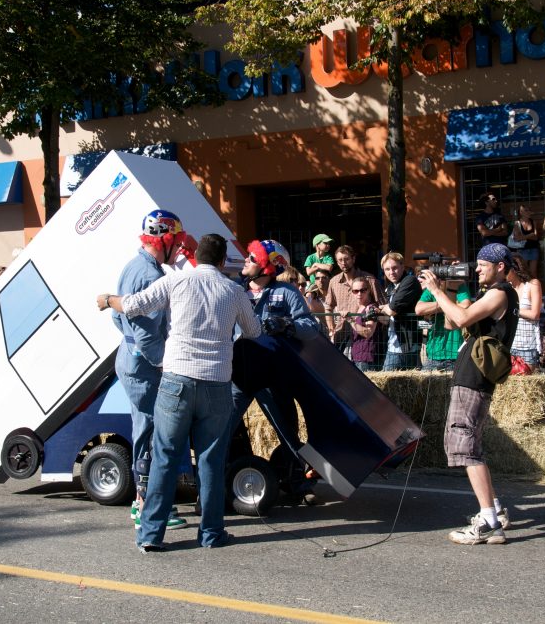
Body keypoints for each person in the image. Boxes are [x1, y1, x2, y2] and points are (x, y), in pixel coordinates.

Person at [97, 234, 262, 552]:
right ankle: (212, 533)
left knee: (165, 456)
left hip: (176, 381)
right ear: (223, 260)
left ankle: (151, 536)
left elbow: (133, 305)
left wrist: (107, 299)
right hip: (216, 383)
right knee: (211, 460)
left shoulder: (177, 281)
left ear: (196, 257)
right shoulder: (234, 291)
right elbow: (253, 330)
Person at [419, 243, 518, 545]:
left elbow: (462, 320)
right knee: (470, 444)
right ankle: (494, 510)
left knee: (465, 446)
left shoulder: (501, 292)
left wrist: (436, 291)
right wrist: (450, 290)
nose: (476, 269)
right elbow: (453, 321)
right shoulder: (491, 294)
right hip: (471, 375)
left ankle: (488, 520)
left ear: (500, 266)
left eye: (482, 264)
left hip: (473, 377)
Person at [109, 209, 191, 530]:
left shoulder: (137, 266)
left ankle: (145, 501)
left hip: (131, 359)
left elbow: (119, 316)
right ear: (165, 240)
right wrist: (165, 363)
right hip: (144, 365)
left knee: (147, 427)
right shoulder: (150, 276)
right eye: (178, 242)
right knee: (153, 428)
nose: (180, 249)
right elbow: (145, 333)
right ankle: (148, 505)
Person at [229, 239, 321, 502]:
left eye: (252, 257)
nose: (246, 259)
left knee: (288, 433)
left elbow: (311, 328)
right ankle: (212, 488)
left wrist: (286, 324)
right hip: (239, 374)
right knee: (222, 430)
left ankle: (298, 486)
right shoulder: (234, 290)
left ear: (269, 265)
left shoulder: (288, 292)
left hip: (273, 375)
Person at [324, 244, 383, 350]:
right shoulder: (334, 282)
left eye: (346, 259)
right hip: (341, 334)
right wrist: (331, 329)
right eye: (340, 260)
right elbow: (328, 306)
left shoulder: (369, 280)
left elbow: (382, 306)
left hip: (364, 335)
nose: (343, 263)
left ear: (353, 259)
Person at [414, 273, 472, 372]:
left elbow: (466, 305)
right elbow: (419, 309)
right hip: (433, 353)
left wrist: (434, 308)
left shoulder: (459, 286)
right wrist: (448, 305)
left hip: (455, 353)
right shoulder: (431, 290)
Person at [376, 252, 423, 371]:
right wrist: (377, 312)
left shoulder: (409, 281)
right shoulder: (391, 287)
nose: (391, 272)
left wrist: (385, 308)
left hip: (407, 345)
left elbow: (392, 310)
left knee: (388, 384)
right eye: (387, 269)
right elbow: (388, 318)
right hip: (393, 344)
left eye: (394, 268)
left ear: (402, 266)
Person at [507, 254, 543, 374]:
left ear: (514, 269)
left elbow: (535, 314)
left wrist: (513, 310)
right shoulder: (507, 288)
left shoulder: (533, 284)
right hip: (509, 343)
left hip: (528, 345)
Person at [348, 276, 382, 372]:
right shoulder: (358, 308)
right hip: (356, 356)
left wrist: (350, 320)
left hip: (366, 358)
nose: (359, 293)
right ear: (352, 292)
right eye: (356, 291)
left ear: (368, 290)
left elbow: (368, 333)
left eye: (363, 290)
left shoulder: (371, 308)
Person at [509, 205, 540, 279]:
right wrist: (530, 235)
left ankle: (534, 288)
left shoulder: (533, 222)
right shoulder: (517, 223)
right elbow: (517, 238)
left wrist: (524, 237)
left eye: (529, 210)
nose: (528, 212)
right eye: (526, 210)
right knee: (523, 272)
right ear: (521, 212)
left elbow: (536, 237)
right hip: (522, 250)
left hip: (534, 248)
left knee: (533, 272)